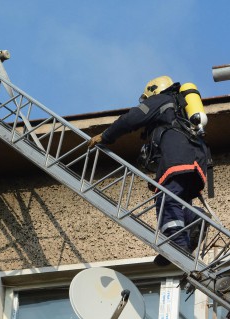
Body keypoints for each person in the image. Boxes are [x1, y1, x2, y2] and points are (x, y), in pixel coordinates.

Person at [88, 75, 209, 266]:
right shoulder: (180, 108)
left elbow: (131, 119)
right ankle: (194, 218)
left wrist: (106, 136)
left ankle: (177, 243)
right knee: (179, 201)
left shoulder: (160, 100)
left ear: (153, 91)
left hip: (177, 158)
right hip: (196, 161)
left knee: (166, 199)